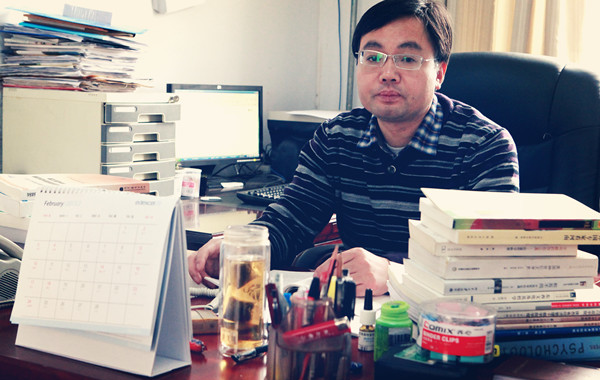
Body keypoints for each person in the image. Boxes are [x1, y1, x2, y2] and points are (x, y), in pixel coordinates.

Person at [189, 0, 519, 296]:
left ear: (439, 73)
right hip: (354, 317)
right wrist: (240, 248)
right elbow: (291, 220)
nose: (387, 74)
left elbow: (492, 267)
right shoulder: (337, 137)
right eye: (372, 57)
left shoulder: (484, 146)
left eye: (407, 58)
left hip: (445, 326)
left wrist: (396, 276)